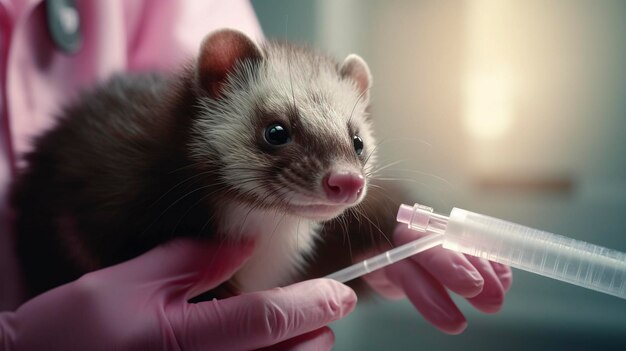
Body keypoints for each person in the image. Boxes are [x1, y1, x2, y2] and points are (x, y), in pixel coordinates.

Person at [0, 1, 512, 350]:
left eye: (356, 144)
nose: (347, 173)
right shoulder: (115, 187)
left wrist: (386, 227)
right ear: (216, 88)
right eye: (276, 134)